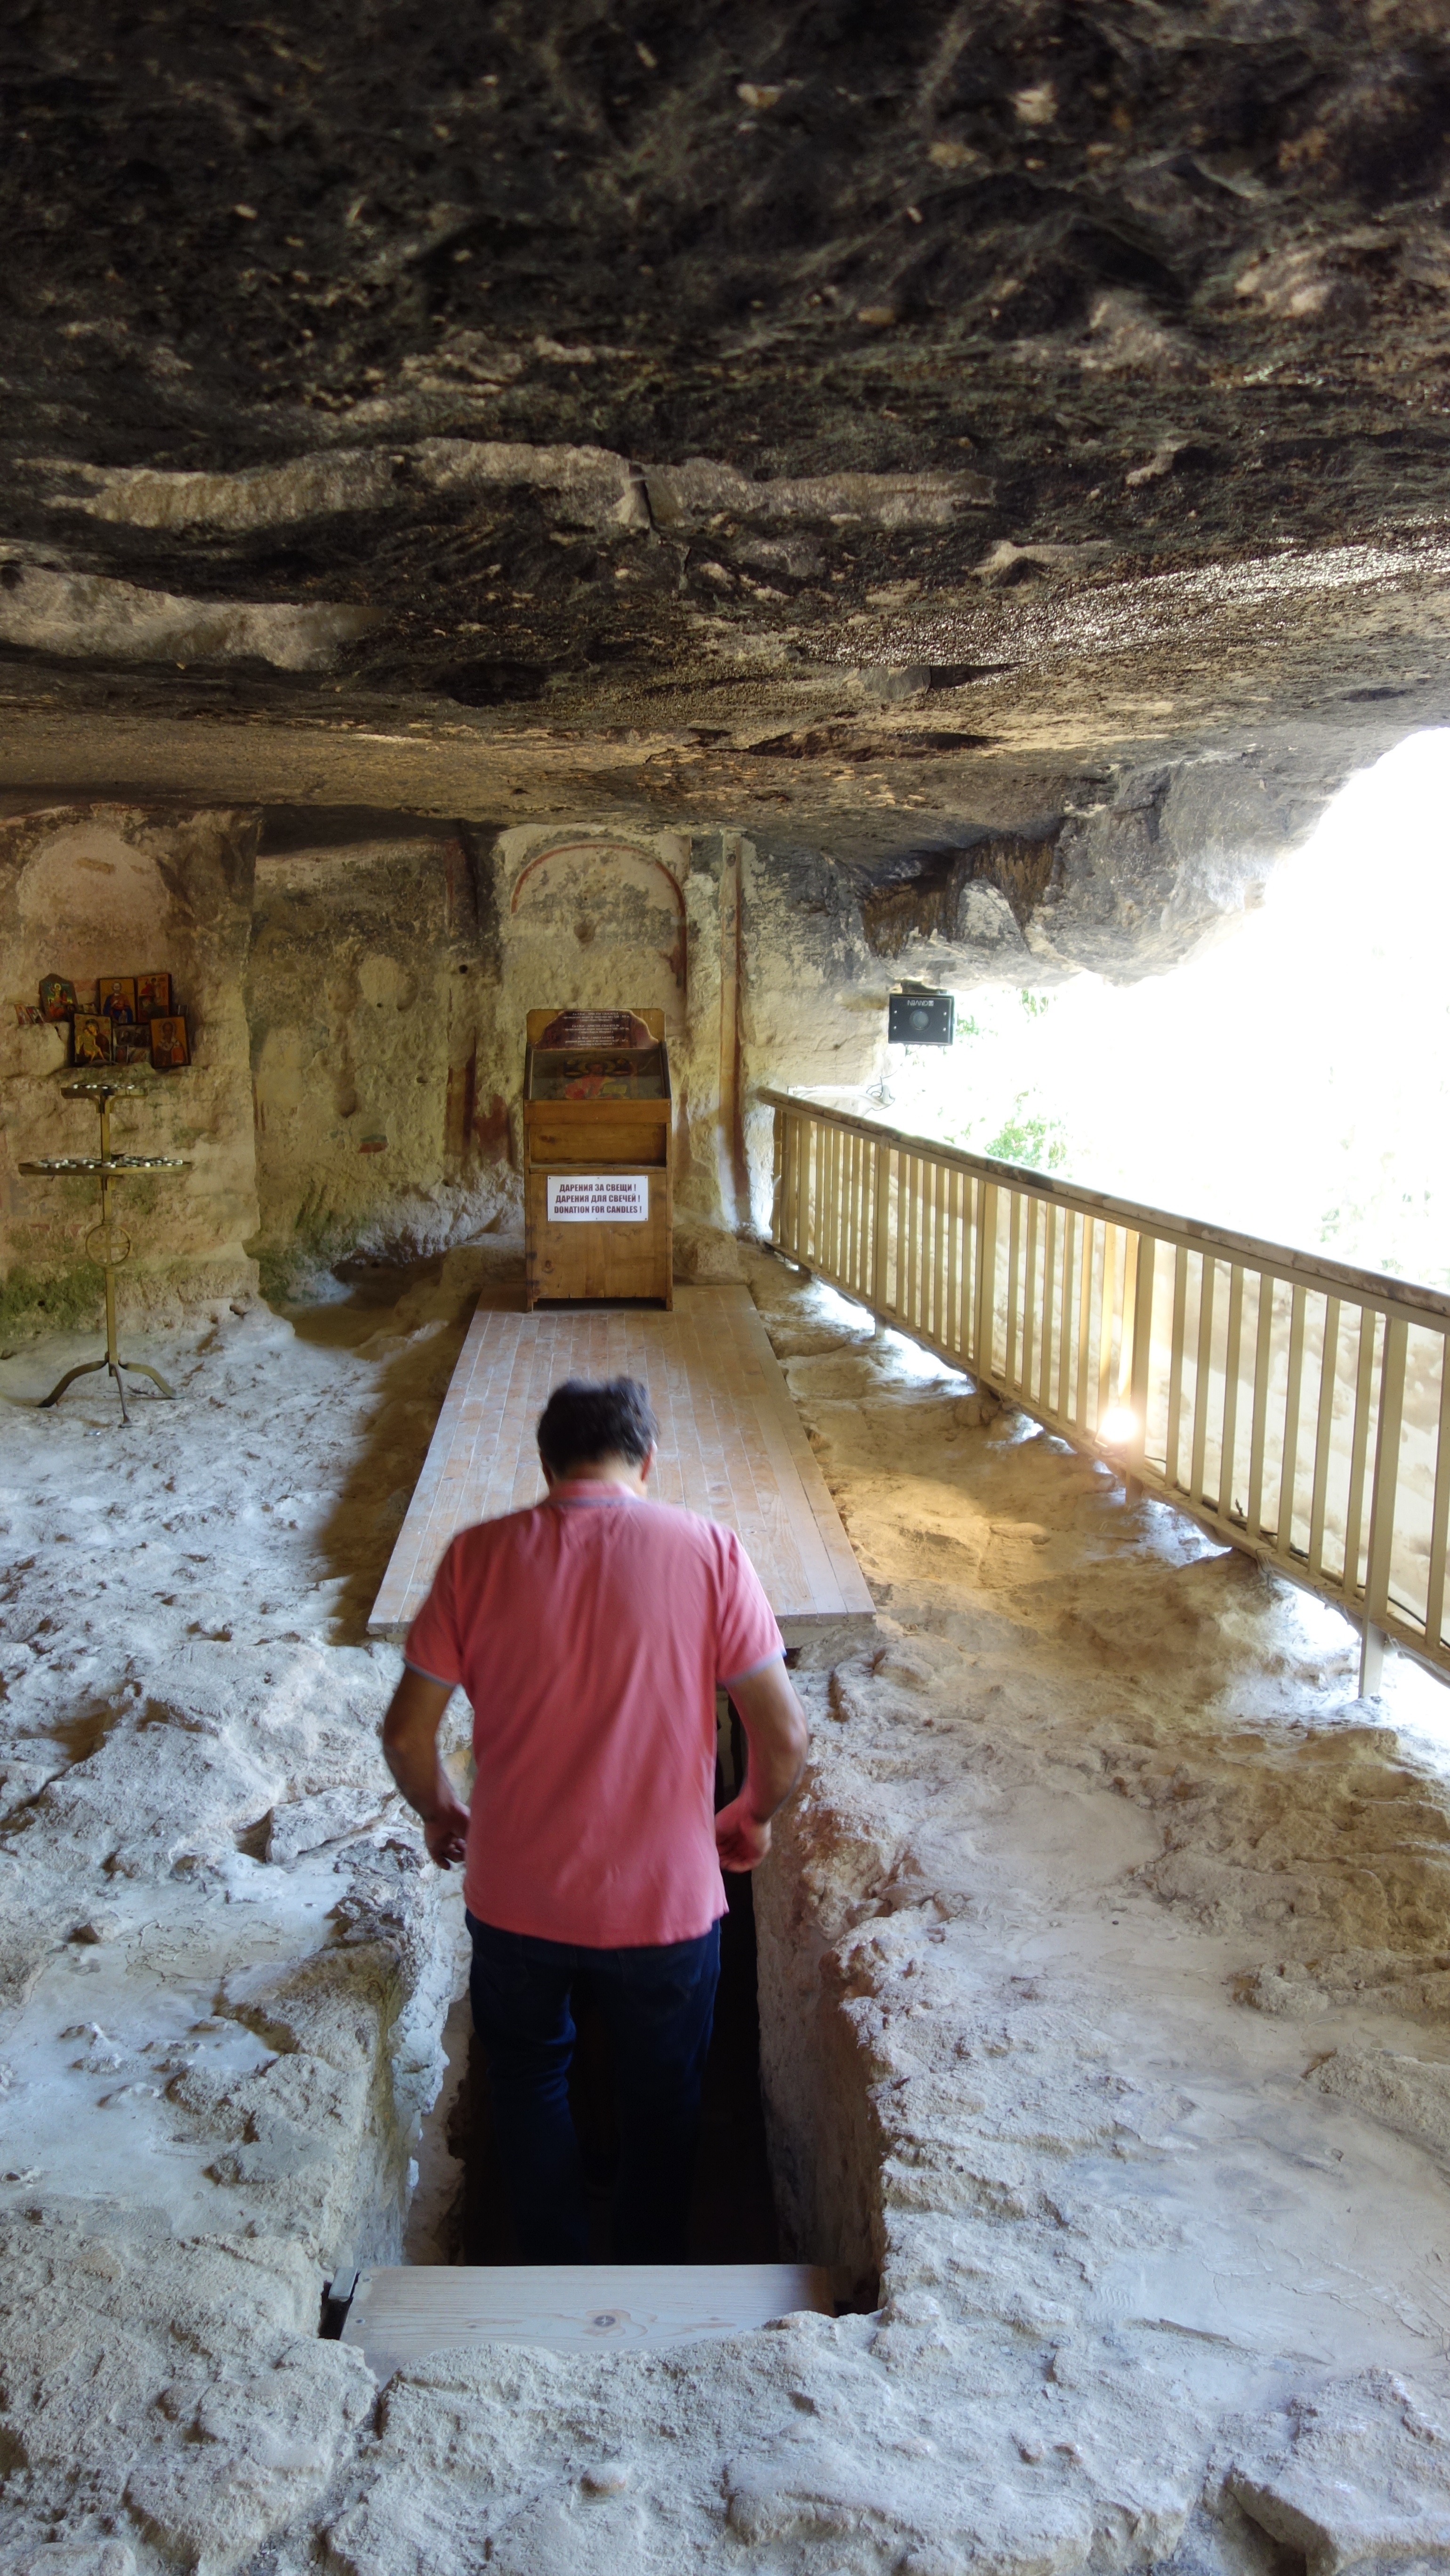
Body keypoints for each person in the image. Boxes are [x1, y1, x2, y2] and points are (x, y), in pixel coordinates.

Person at [381, 1374, 809, 2264]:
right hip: (667, 1904)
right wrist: (754, 1812)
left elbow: (407, 1735)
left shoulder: (475, 1557)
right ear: (647, 1460)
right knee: (666, 2097)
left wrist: (440, 1810)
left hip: (516, 1901)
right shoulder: (711, 1552)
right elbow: (784, 1735)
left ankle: (551, 2264)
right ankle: (649, 2266)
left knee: (530, 2079)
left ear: (546, 1466)